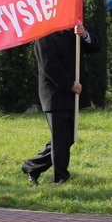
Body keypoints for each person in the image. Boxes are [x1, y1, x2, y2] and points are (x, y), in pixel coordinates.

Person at [21, 24, 100, 185]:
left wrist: (85, 35)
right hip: (54, 94)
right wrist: (69, 84)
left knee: (69, 137)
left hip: (72, 94)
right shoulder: (44, 35)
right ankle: (61, 177)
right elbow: (49, 66)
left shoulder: (73, 32)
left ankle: (32, 166)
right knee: (60, 137)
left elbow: (95, 47)